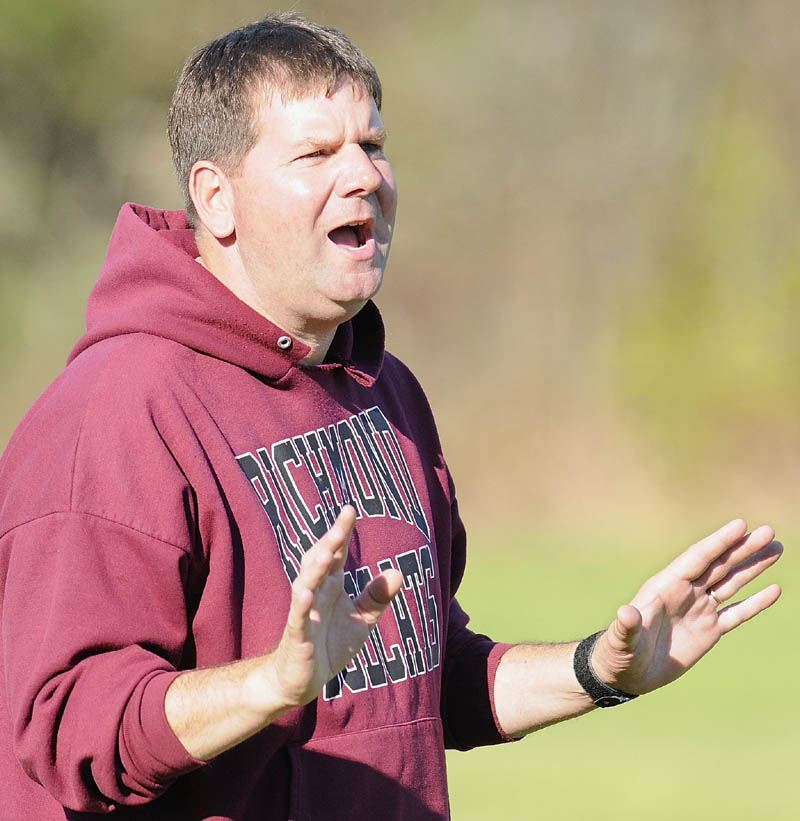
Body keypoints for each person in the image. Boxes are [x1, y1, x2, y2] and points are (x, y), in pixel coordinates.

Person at [0, 13, 783, 821]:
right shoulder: (116, 412)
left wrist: (597, 669)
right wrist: (275, 681)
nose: (364, 175)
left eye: (372, 145)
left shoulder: (385, 391)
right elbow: (67, 731)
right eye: (315, 153)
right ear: (215, 196)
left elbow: (420, 682)